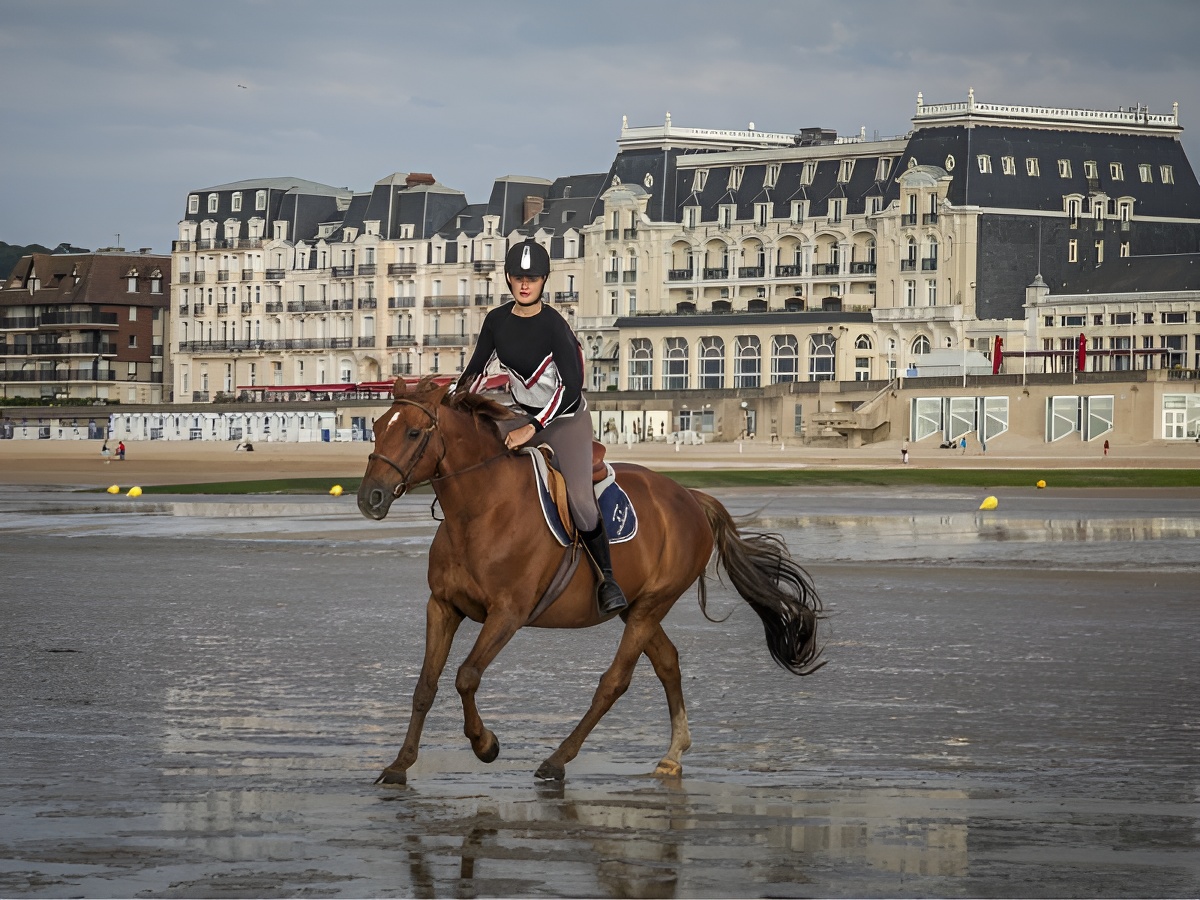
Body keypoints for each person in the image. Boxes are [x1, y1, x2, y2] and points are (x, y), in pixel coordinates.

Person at [457, 238, 627, 616]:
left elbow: (571, 389)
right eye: (518, 277)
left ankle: (608, 579)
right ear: (507, 278)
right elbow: (476, 371)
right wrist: (453, 401)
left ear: (544, 280)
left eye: (531, 278)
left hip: (566, 420)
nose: (524, 285)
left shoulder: (555, 326)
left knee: (582, 503)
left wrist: (531, 428)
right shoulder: (496, 321)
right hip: (520, 414)